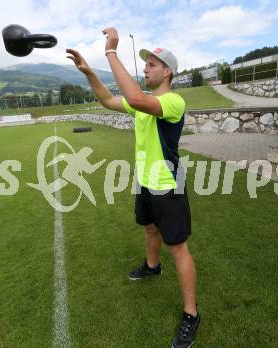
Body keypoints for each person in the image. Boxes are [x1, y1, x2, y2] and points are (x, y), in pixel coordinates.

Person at [66, 27, 200, 348]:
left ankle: (191, 315)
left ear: (167, 71)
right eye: (146, 64)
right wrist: (89, 74)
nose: (146, 68)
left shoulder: (172, 101)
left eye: (152, 64)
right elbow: (109, 100)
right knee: (149, 229)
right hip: (145, 180)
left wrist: (111, 52)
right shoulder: (146, 103)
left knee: (178, 247)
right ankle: (152, 267)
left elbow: (135, 98)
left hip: (168, 183)